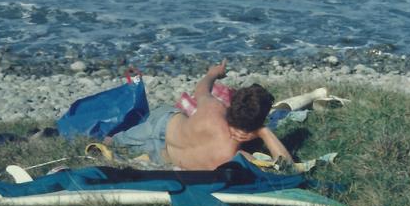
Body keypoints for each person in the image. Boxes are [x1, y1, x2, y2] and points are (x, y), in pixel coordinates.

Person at [110, 59, 293, 170]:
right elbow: (286, 167)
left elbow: (202, 89)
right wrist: (264, 132)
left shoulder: (214, 109)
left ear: (233, 102)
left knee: (113, 142)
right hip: (163, 155)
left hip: (162, 124)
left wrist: (213, 74)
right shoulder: (234, 157)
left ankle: (112, 141)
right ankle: (115, 144)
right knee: (120, 149)